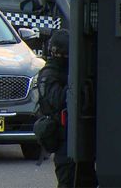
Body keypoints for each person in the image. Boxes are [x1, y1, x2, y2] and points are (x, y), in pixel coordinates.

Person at [37, 29, 75, 187]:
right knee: (66, 178)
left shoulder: (64, 71)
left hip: (73, 133)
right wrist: (72, 85)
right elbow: (57, 100)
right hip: (61, 133)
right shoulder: (49, 75)